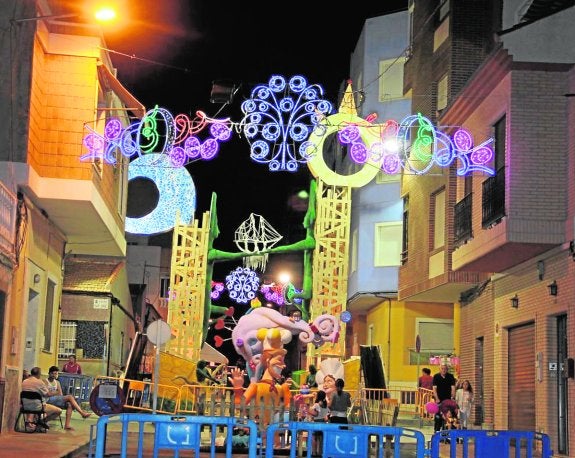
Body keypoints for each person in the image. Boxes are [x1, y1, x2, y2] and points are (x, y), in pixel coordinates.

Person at [44, 365, 92, 430]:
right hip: (48, 400)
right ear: (49, 373)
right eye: (52, 373)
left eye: (56, 373)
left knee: (69, 404)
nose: (54, 375)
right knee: (70, 396)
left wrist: (55, 393)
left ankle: (67, 425)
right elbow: (48, 394)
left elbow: (60, 393)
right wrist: (56, 392)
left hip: (56, 399)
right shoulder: (45, 381)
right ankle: (82, 413)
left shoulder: (57, 382)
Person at [432, 364, 456, 432]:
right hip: (439, 400)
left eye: (445, 369)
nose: (444, 370)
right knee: (438, 417)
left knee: (450, 416)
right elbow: (434, 388)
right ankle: (436, 431)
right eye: (442, 368)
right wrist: (437, 398)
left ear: (447, 369)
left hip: (448, 400)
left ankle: (448, 433)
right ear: (440, 369)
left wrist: (452, 397)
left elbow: (453, 388)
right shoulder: (436, 376)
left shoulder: (450, 376)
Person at [309, 390, 328, 456]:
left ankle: (314, 452)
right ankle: (321, 452)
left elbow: (311, 410)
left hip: (317, 423)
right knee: (322, 438)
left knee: (313, 437)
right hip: (324, 423)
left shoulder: (317, 404)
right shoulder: (326, 404)